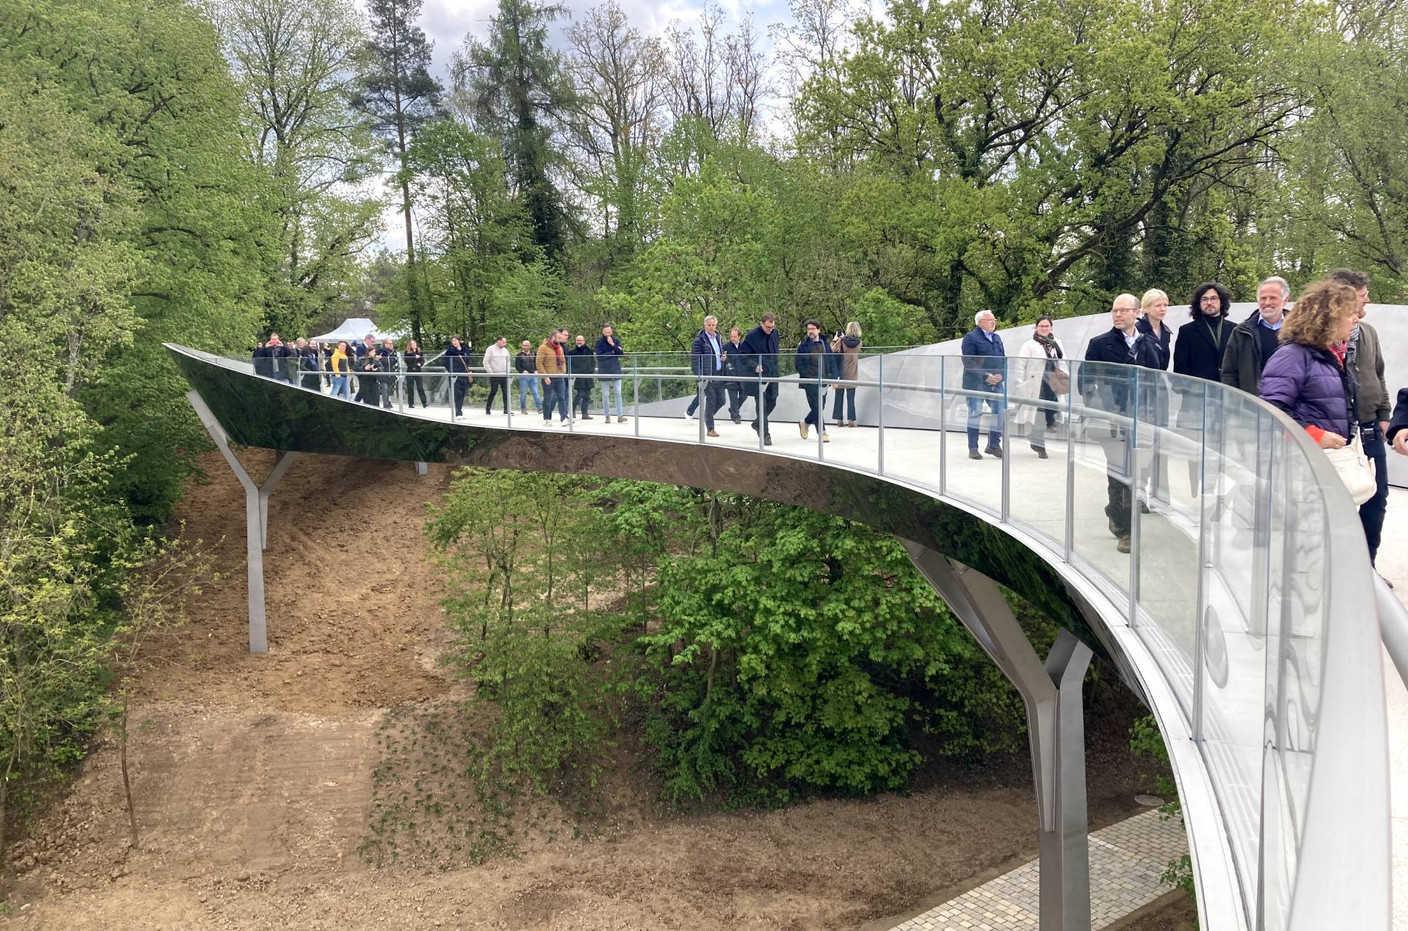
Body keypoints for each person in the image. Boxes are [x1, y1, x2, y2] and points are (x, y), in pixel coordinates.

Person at [1082, 293, 1165, 554]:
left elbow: (1157, 379)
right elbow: (1085, 381)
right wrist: (1099, 409)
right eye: (1114, 311)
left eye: (1123, 310)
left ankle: (1114, 510)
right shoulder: (1099, 344)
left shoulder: (1149, 343)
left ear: (1136, 313)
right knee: (1119, 472)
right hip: (1113, 420)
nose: (1117, 315)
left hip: (1141, 418)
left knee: (1134, 469)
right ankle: (1124, 529)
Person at [1258, 279, 1360, 492]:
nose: (1355, 319)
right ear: (1329, 318)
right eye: (1349, 313)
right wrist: (1313, 435)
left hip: (1322, 465)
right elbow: (1270, 411)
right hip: (1301, 467)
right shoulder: (1292, 355)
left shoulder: (1331, 355)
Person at [1331, 269, 1391, 566]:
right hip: (1335, 437)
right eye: (1363, 295)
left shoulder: (1368, 333)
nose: (1367, 300)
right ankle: (1336, 567)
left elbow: (1378, 374)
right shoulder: (1320, 339)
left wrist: (1384, 414)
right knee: (1336, 504)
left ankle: (1367, 568)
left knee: (1376, 499)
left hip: (1369, 430)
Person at [1173, 282, 1234, 495]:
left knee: (1219, 446)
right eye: (1205, 299)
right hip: (1197, 401)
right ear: (1198, 304)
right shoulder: (1187, 331)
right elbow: (1181, 367)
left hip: (1225, 400)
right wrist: (1194, 391)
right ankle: (1195, 489)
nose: (1209, 303)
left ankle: (1213, 487)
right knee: (1196, 449)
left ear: (1221, 302)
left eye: (1213, 298)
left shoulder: (1235, 329)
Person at [1135, 289, 1172, 507]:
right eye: (1158, 305)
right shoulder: (1138, 331)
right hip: (1143, 392)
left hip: (1159, 391)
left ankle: (1158, 493)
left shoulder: (1165, 332)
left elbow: (1164, 364)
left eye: (1165, 305)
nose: (1163, 309)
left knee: (1160, 442)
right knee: (1144, 443)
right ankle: (1139, 491)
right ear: (1147, 308)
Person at [1221, 276, 1290, 394]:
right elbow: (1229, 372)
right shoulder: (1241, 332)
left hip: (1289, 400)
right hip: (1252, 401)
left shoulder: (1300, 332)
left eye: (1273, 298)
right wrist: (1234, 399)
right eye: (1263, 298)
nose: (1267, 302)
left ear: (1285, 300)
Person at [1013, 316, 1066, 458]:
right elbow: (1020, 365)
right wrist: (1020, 383)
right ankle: (1040, 444)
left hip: (1052, 383)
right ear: (1036, 327)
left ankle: (1038, 436)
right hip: (1036, 384)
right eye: (1041, 326)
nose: (1044, 328)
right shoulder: (1029, 344)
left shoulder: (1056, 343)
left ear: (1051, 327)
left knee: (1051, 410)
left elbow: (1062, 361)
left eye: (1047, 326)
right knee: (1038, 415)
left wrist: (1064, 376)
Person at [961, 310, 1006, 459]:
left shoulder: (997, 338)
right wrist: (986, 376)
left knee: (1000, 412)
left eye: (994, 319)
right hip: (976, 384)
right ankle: (973, 448)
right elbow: (968, 362)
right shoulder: (970, 338)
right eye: (990, 320)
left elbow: (1003, 360)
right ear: (980, 322)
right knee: (975, 414)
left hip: (996, 384)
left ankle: (993, 445)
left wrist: (1001, 376)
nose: (993, 322)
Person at [738, 313, 780, 445]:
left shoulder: (775, 333)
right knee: (762, 405)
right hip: (759, 376)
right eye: (768, 327)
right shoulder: (751, 336)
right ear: (761, 324)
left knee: (772, 402)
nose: (770, 330)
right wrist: (754, 366)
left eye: (772, 327)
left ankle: (757, 423)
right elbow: (743, 355)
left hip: (773, 374)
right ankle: (765, 434)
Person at [794, 319, 832, 442]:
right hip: (810, 381)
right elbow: (798, 364)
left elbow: (832, 361)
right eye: (808, 329)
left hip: (824, 380)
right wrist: (807, 376)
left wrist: (834, 377)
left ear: (818, 330)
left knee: (821, 406)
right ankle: (822, 432)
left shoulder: (825, 344)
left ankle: (805, 422)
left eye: (813, 329)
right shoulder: (803, 346)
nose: (810, 331)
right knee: (816, 406)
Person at [689, 316, 727, 437]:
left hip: (719, 374)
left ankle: (708, 417)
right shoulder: (699, 341)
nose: (711, 327)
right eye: (709, 325)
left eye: (713, 325)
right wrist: (700, 376)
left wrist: (723, 358)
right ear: (704, 325)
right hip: (707, 376)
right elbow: (695, 360)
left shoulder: (718, 338)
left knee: (722, 400)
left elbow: (719, 354)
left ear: (716, 326)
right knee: (711, 400)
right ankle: (710, 428)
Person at [830, 322, 863, 427]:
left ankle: (839, 419)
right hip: (852, 371)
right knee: (851, 397)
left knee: (838, 397)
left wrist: (835, 339)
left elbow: (832, 349)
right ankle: (851, 420)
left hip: (841, 371)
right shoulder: (859, 342)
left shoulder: (842, 341)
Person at [595, 325, 627, 423]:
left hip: (615, 369)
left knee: (618, 392)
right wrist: (612, 353)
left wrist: (613, 345)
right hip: (604, 370)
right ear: (603, 332)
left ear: (611, 332)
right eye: (606, 332)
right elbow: (599, 356)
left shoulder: (616, 340)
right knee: (605, 395)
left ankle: (620, 415)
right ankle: (607, 416)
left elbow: (620, 353)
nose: (607, 334)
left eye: (609, 332)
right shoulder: (599, 342)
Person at [538, 329, 569, 425]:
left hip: (559, 376)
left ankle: (564, 417)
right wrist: (545, 376)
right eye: (558, 338)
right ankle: (547, 418)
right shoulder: (543, 347)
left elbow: (563, 361)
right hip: (548, 376)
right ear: (553, 337)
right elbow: (539, 362)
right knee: (548, 398)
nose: (560, 340)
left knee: (561, 397)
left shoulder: (559, 348)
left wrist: (563, 371)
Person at [567, 334, 596, 420]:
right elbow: (570, 364)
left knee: (587, 395)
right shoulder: (572, 352)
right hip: (579, 377)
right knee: (580, 394)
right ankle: (572, 409)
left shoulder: (589, 351)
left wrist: (591, 371)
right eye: (577, 340)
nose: (579, 342)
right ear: (575, 342)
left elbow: (593, 362)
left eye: (580, 340)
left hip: (588, 376)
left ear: (584, 341)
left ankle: (585, 413)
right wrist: (575, 372)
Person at [722, 327, 746, 423]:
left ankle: (733, 409)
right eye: (731, 336)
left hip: (742, 375)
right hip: (731, 375)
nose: (732, 338)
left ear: (739, 337)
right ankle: (736, 416)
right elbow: (723, 360)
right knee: (733, 397)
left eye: (734, 337)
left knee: (744, 394)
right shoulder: (726, 347)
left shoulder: (744, 346)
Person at [482, 336, 510, 414]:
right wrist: (490, 372)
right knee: (494, 391)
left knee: (506, 392)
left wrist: (508, 371)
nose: (505, 344)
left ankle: (506, 409)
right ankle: (488, 408)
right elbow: (485, 362)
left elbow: (508, 361)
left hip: (504, 374)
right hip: (494, 374)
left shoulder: (505, 350)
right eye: (503, 342)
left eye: (505, 342)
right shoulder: (490, 349)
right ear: (498, 341)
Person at [444, 335, 472, 417]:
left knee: (462, 393)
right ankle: (458, 412)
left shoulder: (465, 350)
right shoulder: (450, 351)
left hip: (463, 374)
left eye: (455, 340)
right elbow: (445, 362)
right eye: (452, 340)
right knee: (457, 393)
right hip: (454, 375)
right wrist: (451, 370)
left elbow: (468, 360)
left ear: (459, 341)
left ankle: (459, 409)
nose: (454, 342)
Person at [514, 339, 541, 412]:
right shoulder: (519, 355)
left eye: (525, 345)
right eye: (523, 345)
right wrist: (522, 371)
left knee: (535, 392)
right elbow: (517, 366)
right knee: (523, 393)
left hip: (533, 376)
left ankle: (539, 407)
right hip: (524, 377)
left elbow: (536, 364)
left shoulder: (534, 354)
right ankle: (523, 408)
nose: (524, 347)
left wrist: (536, 370)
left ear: (529, 346)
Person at [403, 339, 427, 408]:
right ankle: (411, 403)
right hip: (410, 370)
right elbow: (406, 360)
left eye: (415, 344)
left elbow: (422, 360)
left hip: (418, 370)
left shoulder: (419, 351)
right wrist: (414, 357)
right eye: (412, 344)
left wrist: (420, 364)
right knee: (410, 388)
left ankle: (424, 402)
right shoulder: (407, 352)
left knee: (420, 387)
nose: (414, 345)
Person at [376, 337, 399, 408]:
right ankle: (385, 404)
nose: (391, 345)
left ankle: (388, 401)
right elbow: (375, 360)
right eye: (389, 343)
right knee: (384, 388)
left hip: (391, 373)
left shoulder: (393, 352)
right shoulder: (379, 351)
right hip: (383, 373)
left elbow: (395, 362)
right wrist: (378, 358)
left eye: (391, 343)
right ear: (385, 344)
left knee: (389, 389)